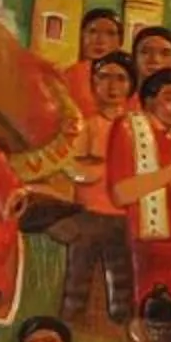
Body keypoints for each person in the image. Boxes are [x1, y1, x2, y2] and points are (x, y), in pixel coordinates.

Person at [111, 68, 171, 319]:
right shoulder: (127, 129)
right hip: (150, 242)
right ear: (149, 100)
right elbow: (122, 193)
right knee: (154, 311)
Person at [56, 50, 138, 323]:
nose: (112, 86)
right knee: (79, 269)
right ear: (94, 84)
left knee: (122, 272)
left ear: (131, 85)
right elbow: (72, 166)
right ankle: (71, 318)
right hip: (89, 212)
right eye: (104, 78)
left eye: (121, 79)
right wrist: (100, 168)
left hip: (125, 214)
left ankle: (121, 321)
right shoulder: (87, 126)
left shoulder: (138, 129)